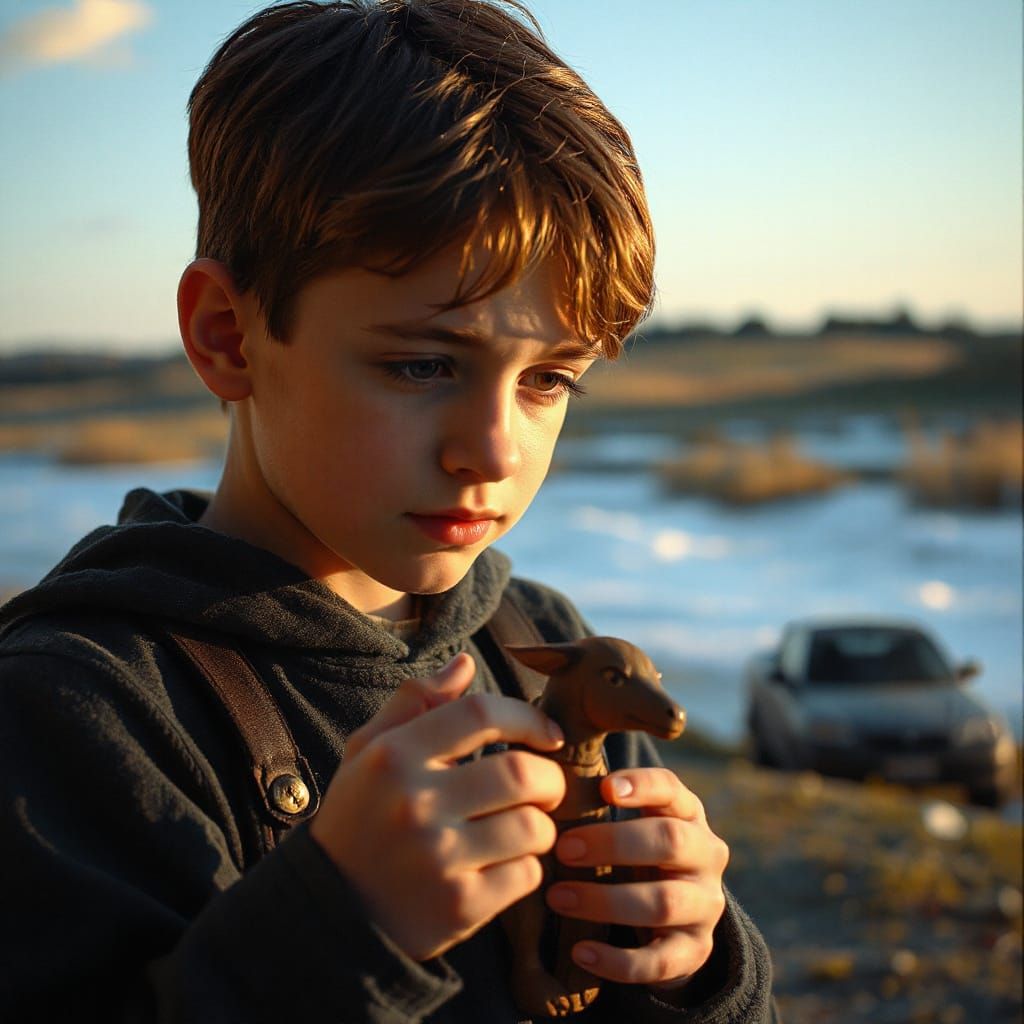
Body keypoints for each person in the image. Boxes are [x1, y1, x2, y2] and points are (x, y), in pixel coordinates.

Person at [0, 2, 777, 1021]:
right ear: (228, 335)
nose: (493, 450)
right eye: (421, 364)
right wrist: (335, 924)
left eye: (549, 379)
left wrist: (691, 968)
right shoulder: (75, 709)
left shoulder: (544, 648)